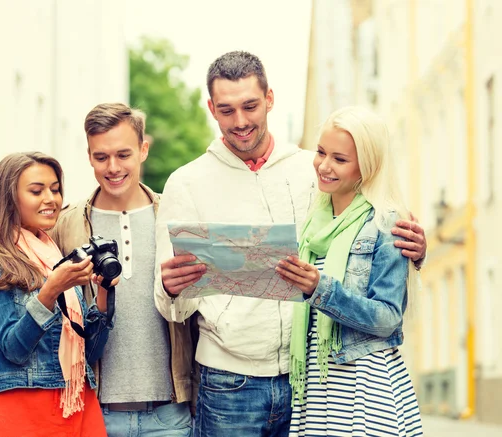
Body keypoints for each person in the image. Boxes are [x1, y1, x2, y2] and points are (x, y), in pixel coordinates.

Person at [154, 51, 426, 437]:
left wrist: (416, 247)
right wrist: (170, 287)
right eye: (227, 110)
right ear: (212, 109)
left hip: (313, 381)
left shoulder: (313, 169)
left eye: (250, 105)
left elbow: (369, 221)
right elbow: (168, 302)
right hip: (231, 381)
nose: (241, 121)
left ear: (269, 99)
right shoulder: (186, 182)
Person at [0, 104, 195, 436]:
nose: (113, 167)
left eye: (123, 154)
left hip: (169, 413)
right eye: (101, 157)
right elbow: (11, 289)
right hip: (92, 409)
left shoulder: (174, 220)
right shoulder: (60, 226)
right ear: (88, 156)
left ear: (144, 150)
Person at [278, 106, 423, 436]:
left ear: (366, 167)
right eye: (320, 152)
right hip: (317, 386)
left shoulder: (389, 223)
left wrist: (321, 289)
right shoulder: (311, 221)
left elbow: (388, 318)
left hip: (364, 387)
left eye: (339, 159)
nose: (324, 166)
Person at [0, 152, 117, 436]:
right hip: (24, 408)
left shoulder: (55, 257)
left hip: (78, 401)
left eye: (55, 189)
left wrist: (105, 292)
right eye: (36, 191)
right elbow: (14, 348)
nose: (51, 199)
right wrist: (51, 290)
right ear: (8, 198)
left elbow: (90, 352)